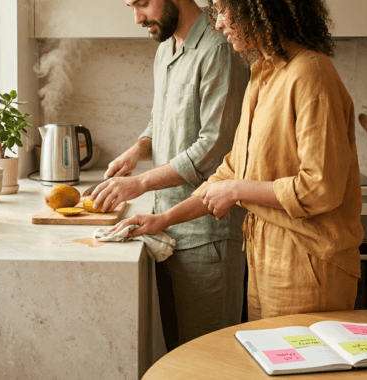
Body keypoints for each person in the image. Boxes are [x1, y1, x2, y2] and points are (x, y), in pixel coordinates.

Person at [111, 0, 364, 322]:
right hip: (266, 256)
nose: (218, 23)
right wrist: (164, 220)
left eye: (225, 10)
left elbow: (320, 188)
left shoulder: (310, 73)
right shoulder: (264, 73)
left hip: (308, 261)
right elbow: (231, 170)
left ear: (260, 8)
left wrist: (236, 190)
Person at [90, 0, 249, 351]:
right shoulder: (166, 49)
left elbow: (215, 148)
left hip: (208, 238)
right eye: (131, 6)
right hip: (167, 230)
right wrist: (136, 151)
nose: (137, 17)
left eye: (143, 3)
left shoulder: (219, 48)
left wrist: (141, 182)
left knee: (210, 361)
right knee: (181, 355)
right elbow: (159, 119)